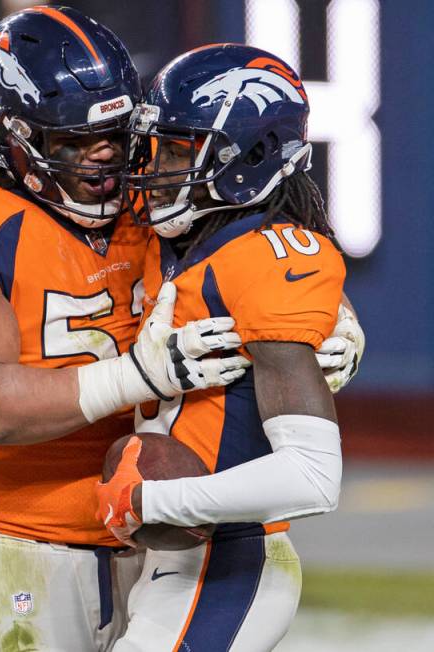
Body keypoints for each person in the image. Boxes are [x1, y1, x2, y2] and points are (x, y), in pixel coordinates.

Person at [0, 7, 252, 650]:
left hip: (168, 532)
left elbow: (270, 255)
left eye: (115, 134)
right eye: (72, 141)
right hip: (19, 541)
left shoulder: (159, 196)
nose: (103, 157)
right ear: (15, 137)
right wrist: (137, 376)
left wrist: (328, 326)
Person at [96, 44, 349, 650]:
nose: (157, 171)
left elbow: (315, 476)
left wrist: (153, 498)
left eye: (181, 151)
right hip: (168, 561)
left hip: (226, 562)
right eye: (156, 150)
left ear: (253, 157)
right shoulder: (194, 239)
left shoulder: (267, 255)